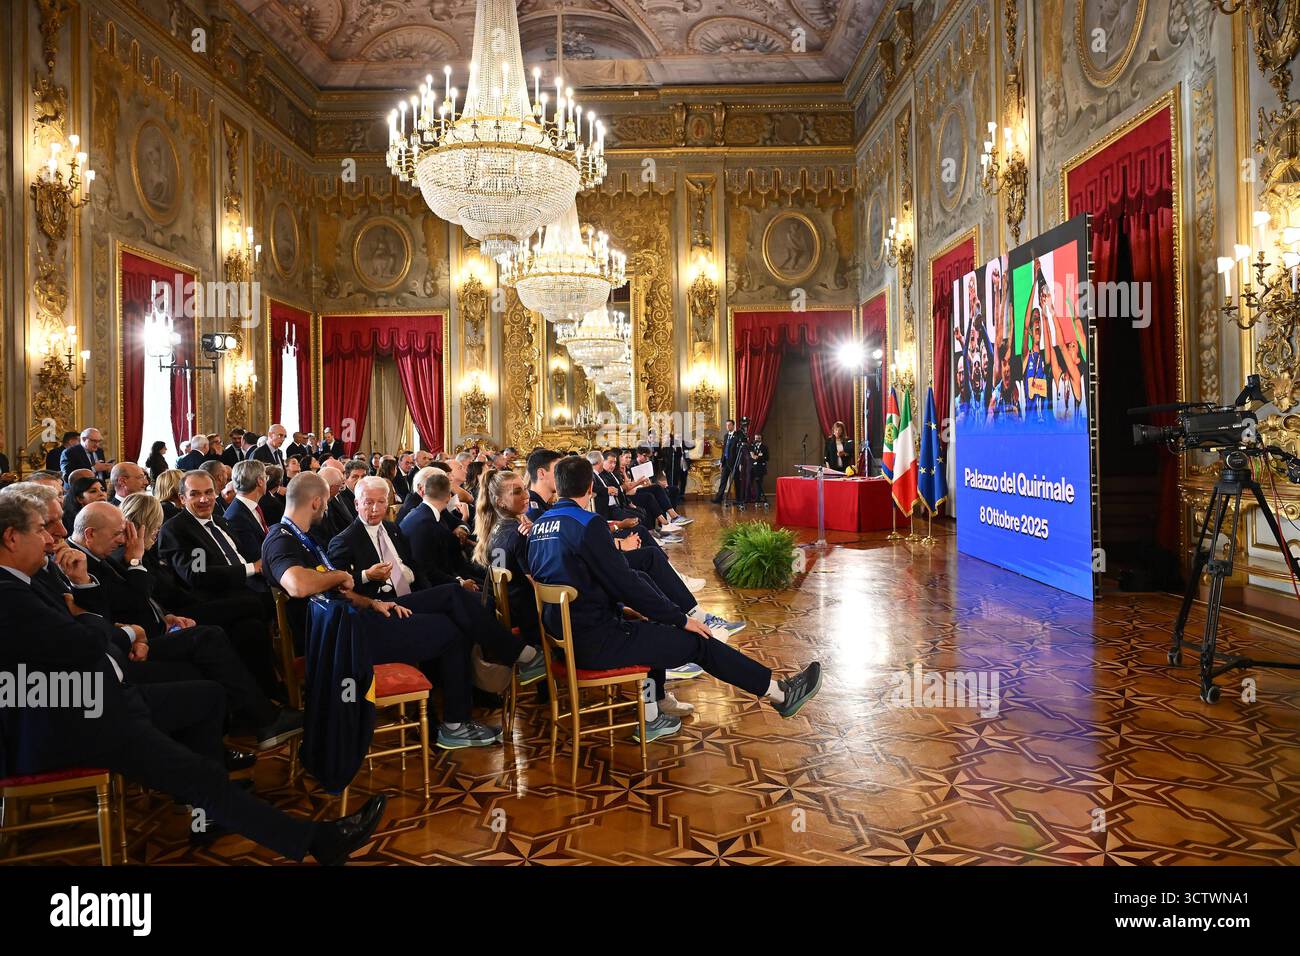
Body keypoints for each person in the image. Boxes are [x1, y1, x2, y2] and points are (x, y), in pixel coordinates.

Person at [0, 484, 387, 864]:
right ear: (11, 538)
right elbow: (86, 640)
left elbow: (90, 628)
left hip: (100, 693)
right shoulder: (9, 592)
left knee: (208, 696)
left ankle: (212, 808)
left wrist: (102, 625)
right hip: (69, 717)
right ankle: (309, 838)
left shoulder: (27, 580)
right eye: (41, 529)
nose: (52, 537)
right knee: (193, 765)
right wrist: (121, 631)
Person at [528, 457, 823, 743]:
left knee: (651, 625)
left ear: (559, 486)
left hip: (564, 640)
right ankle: (779, 693)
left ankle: (655, 704)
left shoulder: (540, 525)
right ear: (591, 487)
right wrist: (681, 619)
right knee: (700, 642)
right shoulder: (587, 524)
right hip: (596, 642)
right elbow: (625, 584)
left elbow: (572, 579)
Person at [264, 472, 520, 749]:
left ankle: (460, 714)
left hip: (357, 620)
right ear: (316, 502)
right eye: (326, 502)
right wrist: (342, 576)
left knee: (453, 599)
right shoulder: (282, 538)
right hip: (344, 641)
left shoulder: (303, 537)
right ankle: (458, 719)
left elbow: (338, 593)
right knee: (453, 630)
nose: (328, 507)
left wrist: (371, 602)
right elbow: (299, 585)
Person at [69, 500, 302, 752]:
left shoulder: (100, 555)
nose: (122, 538)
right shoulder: (86, 563)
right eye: (118, 533)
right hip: (136, 644)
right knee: (218, 631)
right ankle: (264, 717)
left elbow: (148, 598)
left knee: (249, 627)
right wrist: (136, 561)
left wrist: (166, 616)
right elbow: (137, 599)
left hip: (162, 621)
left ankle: (263, 708)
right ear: (90, 534)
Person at [400, 470, 482, 590]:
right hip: (431, 587)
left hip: (445, 576)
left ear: (424, 491)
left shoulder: (426, 512)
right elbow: (427, 570)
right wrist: (460, 583)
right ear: (449, 497)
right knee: (489, 595)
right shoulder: (426, 522)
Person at [224, 459, 272, 559]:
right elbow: (255, 556)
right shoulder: (236, 517)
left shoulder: (252, 506)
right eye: (265, 477)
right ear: (260, 481)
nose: (266, 481)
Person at [712, 420, 743, 504]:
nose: (728, 426)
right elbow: (724, 450)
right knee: (723, 481)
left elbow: (739, 451)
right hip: (725, 462)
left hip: (734, 462)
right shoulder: (726, 436)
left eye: (729, 425)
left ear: (733, 426)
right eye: (726, 425)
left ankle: (739, 499)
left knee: (736, 481)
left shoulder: (737, 436)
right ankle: (719, 498)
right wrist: (721, 462)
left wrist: (740, 463)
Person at [749, 432, 770, 501]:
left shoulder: (764, 447)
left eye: (758, 438)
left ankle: (758, 499)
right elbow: (750, 456)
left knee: (758, 483)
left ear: (761, 439)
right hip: (752, 467)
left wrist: (758, 457)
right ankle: (749, 497)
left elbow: (767, 458)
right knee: (750, 481)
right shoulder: (752, 446)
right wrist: (754, 456)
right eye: (756, 438)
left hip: (760, 467)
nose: (757, 440)